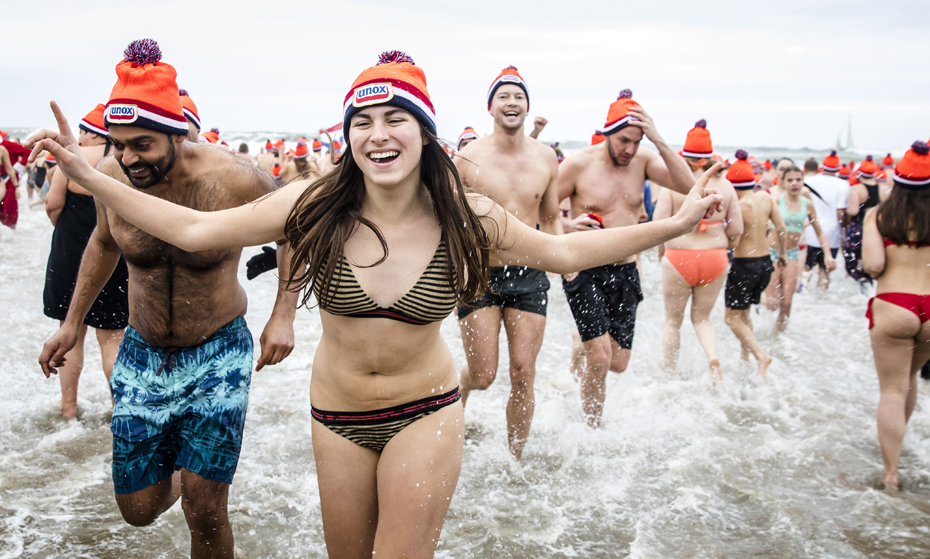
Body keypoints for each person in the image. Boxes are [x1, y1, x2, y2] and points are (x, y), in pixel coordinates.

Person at [32, 49, 723, 558]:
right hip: (336, 419)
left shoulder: (468, 216)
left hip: (424, 413)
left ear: (423, 132)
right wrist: (92, 175)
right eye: (362, 121)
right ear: (349, 136)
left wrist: (677, 223)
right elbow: (192, 230)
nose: (378, 133)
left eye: (396, 118)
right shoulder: (315, 205)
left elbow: (565, 254)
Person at [30, 40, 297, 558]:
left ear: (177, 132)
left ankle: (201, 478)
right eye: (118, 144)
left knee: (205, 509)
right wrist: (71, 324)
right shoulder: (112, 177)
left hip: (218, 350)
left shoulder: (233, 178)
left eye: (142, 144)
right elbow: (103, 243)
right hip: (143, 351)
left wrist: (282, 314)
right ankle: (188, 465)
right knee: (138, 510)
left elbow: (296, 229)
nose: (128, 158)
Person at [557, 89, 696, 426]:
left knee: (618, 363)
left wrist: (658, 139)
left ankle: (582, 348)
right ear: (607, 133)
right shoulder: (578, 165)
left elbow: (688, 184)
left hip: (625, 270)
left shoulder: (643, 161)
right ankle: (592, 428)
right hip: (585, 268)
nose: (629, 150)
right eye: (623, 141)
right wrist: (567, 224)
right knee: (601, 358)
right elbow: (540, 210)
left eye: (636, 142)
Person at [454, 65, 561, 459]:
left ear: (527, 106)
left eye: (518, 96)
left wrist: (564, 259)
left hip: (530, 274)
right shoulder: (469, 157)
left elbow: (551, 217)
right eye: (504, 96)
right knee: (484, 375)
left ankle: (515, 460)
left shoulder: (546, 158)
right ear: (491, 107)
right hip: (480, 273)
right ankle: (461, 389)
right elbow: (453, 219)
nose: (511, 102)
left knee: (523, 372)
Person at [43, 103, 129, 417]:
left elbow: (53, 205)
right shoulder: (121, 161)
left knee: (71, 335)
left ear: (94, 133)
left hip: (69, 257)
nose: (79, 137)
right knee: (112, 340)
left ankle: (68, 408)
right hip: (114, 259)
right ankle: (120, 408)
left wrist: (68, 232)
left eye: (82, 131)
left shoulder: (72, 159)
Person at [862, 141, 930, 492]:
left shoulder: (880, 215)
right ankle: (899, 444)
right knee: (910, 378)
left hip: (895, 304)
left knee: (891, 389)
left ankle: (891, 473)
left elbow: (873, 265)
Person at [654, 120, 742, 382]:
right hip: (715, 257)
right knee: (702, 319)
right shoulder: (726, 186)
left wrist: (661, 251)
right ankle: (713, 359)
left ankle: (669, 375)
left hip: (678, 257)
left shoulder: (674, 185)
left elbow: (659, 223)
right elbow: (736, 229)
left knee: (673, 321)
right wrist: (725, 245)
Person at [724, 150, 787, 378]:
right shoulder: (766, 198)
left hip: (744, 265)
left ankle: (761, 355)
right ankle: (745, 357)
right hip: (765, 263)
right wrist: (782, 254)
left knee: (731, 318)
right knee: (744, 313)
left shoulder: (738, 205)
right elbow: (781, 228)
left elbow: (733, 239)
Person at [766, 165, 834, 331]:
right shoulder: (777, 201)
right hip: (773, 253)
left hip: (792, 254)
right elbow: (762, 226)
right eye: (790, 180)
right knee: (772, 303)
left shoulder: (807, 204)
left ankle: (779, 335)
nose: (794, 183)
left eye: (798, 180)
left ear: (803, 182)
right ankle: (764, 331)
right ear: (783, 182)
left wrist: (828, 255)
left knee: (787, 301)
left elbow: (819, 232)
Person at [804, 153, 847, 289]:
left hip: (811, 231)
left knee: (806, 270)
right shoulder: (843, 184)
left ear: (822, 167)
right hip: (832, 234)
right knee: (825, 270)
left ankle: (802, 296)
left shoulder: (809, 180)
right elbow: (841, 212)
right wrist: (843, 228)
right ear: (838, 169)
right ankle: (821, 298)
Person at [845, 155, 882, 290]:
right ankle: (869, 283)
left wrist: (845, 209)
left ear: (859, 174)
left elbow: (854, 211)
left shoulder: (857, 189)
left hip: (858, 228)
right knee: (870, 259)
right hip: (876, 228)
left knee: (854, 260)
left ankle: (860, 283)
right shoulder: (882, 189)